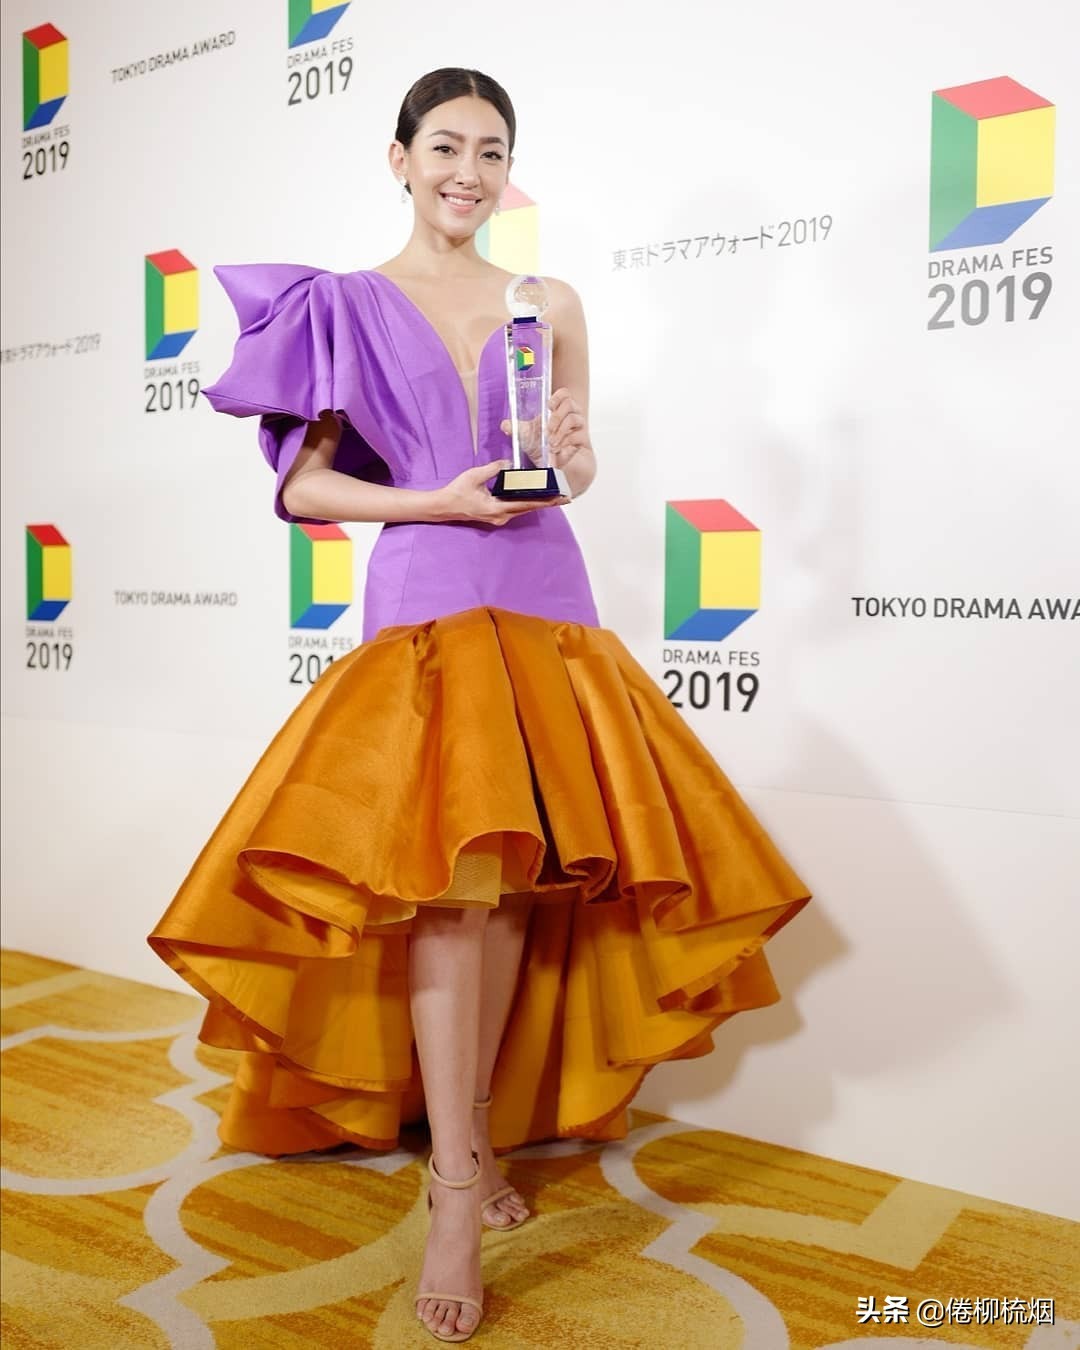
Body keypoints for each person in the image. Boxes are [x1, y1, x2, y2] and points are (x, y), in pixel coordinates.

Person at [147, 67, 812, 1344]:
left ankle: (479, 1138)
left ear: (511, 170)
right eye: (446, 146)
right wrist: (435, 501)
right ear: (399, 158)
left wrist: (575, 456)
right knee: (450, 899)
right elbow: (304, 490)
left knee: (513, 892)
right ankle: (457, 1186)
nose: (469, 171)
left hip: (545, 591)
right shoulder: (340, 306)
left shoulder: (546, 301)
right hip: (428, 590)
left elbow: (570, 464)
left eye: (492, 151)